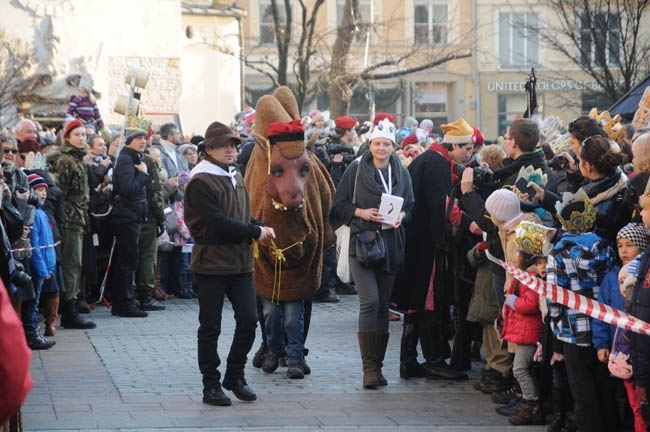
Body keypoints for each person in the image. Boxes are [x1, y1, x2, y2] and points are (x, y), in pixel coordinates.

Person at [184, 121, 275, 406]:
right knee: (210, 327)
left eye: (234, 145)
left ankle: (235, 375)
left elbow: (239, 215)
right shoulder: (200, 179)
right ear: (208, 149)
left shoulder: (233, 174)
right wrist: (253, 232)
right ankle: (210, 384)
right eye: (224, 145)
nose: (231, 150)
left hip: (240, 262)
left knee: (249, 320)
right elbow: (217, 223)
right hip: (211, 262)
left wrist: (256, 225)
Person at [392, 117, 479, 382]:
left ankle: (408, 361)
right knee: (427, 302)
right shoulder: (436, 163)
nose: (469, 153)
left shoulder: (429, 159)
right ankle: (434, 361)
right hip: (425, 244)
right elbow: (442, 204)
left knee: (417, 303)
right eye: (466, 148)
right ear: (452, 146)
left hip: (416, 242)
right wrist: (468, 223)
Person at [330, 118, 415, 389]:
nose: (382, 148)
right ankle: (368, 368)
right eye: (378, 143)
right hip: (362, 243)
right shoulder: (356, 169)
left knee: (382, 305)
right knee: (369, 301)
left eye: (387, 144)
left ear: (393, 146)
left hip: (391, 243)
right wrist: (360, 212)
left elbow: (411, 206)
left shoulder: (401, 171)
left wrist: (402, 215)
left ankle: (377, 366)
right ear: (370, 144)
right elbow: (337, 206)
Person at [548, 190, 618, 432]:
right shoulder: (607, 248)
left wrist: (555, 323)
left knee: (581, 387)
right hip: (604, 325)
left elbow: (555, 294)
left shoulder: (559, 253)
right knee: (604, 384)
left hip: (572, 327)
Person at [593, 223, 650, 432]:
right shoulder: (611, 278)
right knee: (622, 398)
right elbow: (601, 314)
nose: (624, 251)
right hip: (619, 353)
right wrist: (601, 344)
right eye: (620, 245)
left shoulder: (645, 278)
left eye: (630, 245)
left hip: (642, 351)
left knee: (639, 401)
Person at [50, 119, 96, 329]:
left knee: (76, 264)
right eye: (76, 134)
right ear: (67, 138)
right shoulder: (66, 160)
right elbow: (60, 193)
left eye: (84, 135)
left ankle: (71, 306)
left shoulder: (78, 160)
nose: (81, 138)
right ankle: (69, 310)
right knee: (71, 264)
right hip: (69, 218)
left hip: (78, 217)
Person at [107, 129, 152, 318]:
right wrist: (143, 175)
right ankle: (125, 303)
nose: (143, 141)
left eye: (144, 138)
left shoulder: (132, 157)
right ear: (129, 141)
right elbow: (128, 188)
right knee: (127, 261)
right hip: (126, 216)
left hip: (132, 215)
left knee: (126, 260)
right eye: (138, 138)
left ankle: (122, 302)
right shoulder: (126, 159)